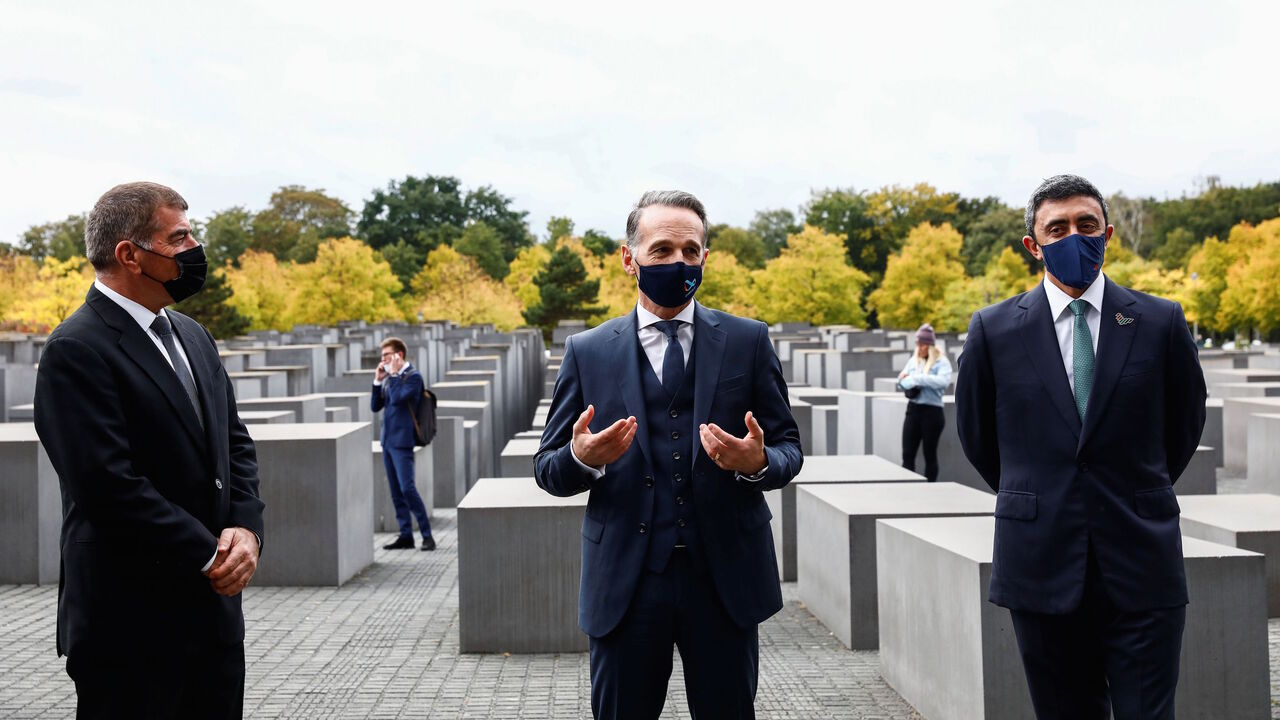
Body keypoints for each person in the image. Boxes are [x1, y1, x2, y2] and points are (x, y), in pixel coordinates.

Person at [535, 190, 803, 720]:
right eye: (661, 250)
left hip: (723, 579)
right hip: (627, 586)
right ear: (629, 258)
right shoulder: (587, 351)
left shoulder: (748, 341)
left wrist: (758, 463)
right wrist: (584, 457)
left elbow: (788, 448)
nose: (677, 261)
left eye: (690, 250)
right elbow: (547, 470)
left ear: (705, 257)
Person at [955, 174, 1206, 720]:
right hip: (1041, 562)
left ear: (1108, 233)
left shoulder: (1160, 321)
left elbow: (1184, 425)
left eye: (1086, 224)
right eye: (1058, 227)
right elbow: (978, 437)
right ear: (1033, 244)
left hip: (1142, 559)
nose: (1074, 236)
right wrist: (1042, 493)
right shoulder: (994, 331)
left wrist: (1138, 488)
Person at [33, 182, 265, 719]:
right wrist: (211, 553)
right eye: (178, 237)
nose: (194, 249)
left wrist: (246, 529)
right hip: (130, 628)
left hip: (212, 620)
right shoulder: (76, 348)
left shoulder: (191, 333)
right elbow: (107, 485)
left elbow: (234, 444)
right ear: (129, 255)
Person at [371, 336, 435, 551]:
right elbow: (375, 406)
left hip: (403, 442)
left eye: (387, 355)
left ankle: (427, 535)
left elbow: (399, 398)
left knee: (408, 488)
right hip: (387, 441)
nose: (383, 360)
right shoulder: (390, 377)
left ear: (400, 355)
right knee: (395, 491)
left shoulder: (413, 377)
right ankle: (406, 535)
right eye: (382, 357)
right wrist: (378, 380)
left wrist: (395, 374)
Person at [896, 323, 952, 481]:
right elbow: (900, 381)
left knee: (930, 454)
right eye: (918, 344)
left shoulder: (942, 362)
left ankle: (931, 489)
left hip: (932, 412)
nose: (919, 348)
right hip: (913, 410)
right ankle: (908, 489)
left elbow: (943, 381)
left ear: (930, 345)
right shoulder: (914, 360)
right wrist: (912, 381)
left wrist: (916, 379)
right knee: (907, 454)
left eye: (923, 344)